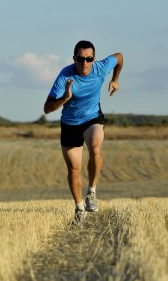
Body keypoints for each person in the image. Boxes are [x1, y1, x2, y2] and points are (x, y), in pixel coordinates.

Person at [44, 40, 123, 226]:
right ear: (74, 59)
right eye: (80, 59)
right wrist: (64, 98)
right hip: (70, 124)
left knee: (95, 148)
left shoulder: (101, 67)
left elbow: (119, 57)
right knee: (74, 169)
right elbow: (47, 108)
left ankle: (92, 192)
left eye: (89, 59)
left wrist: (115, 79)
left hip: (92, 118)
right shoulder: (65, 76)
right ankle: (79, 209)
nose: (85, 63)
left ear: (94, 59)